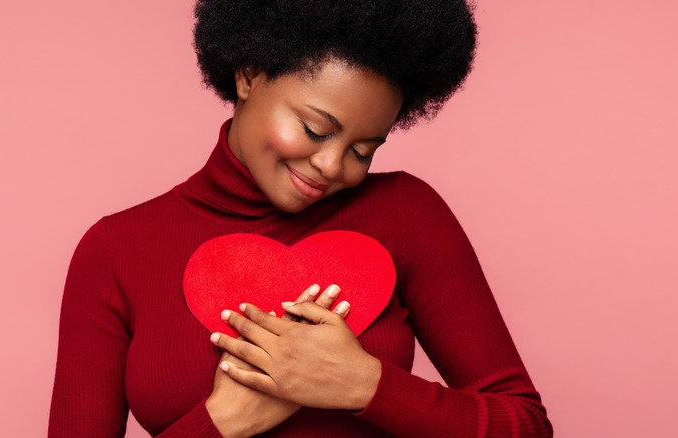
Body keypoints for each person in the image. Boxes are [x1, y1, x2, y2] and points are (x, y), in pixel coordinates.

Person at [49, 0, 553, 436]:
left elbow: (525, 424)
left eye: (363, 149)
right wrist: (223, 420)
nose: (333, 167)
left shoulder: (406, 213)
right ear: (249, 76)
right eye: (315, 130)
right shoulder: (116, 250)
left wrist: (363, 384)